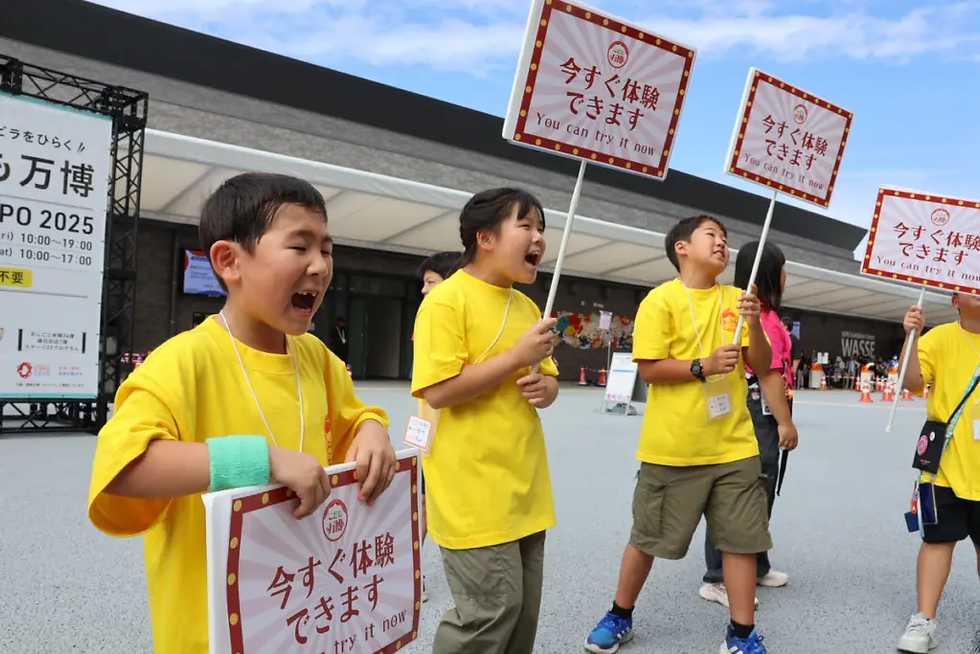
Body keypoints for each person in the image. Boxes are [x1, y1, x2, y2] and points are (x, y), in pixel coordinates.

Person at [86, 172, 398, 654]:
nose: (320, 267)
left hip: (308, 615)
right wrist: (260, 461)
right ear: (229, 260)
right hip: (213, 634)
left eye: (327, 249)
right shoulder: (181, 361)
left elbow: (357, 415)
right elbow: (125, 467)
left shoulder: (317, 357)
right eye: (300, 247)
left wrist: (374, 429)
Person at [584, 214, 773, 654]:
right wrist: (700, 367)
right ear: (682, 247)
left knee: (740, 541)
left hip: (735, 445)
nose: (723, 244)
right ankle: (620, 615)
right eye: (712, 236)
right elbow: (648, 368)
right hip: (673, 448)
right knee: (647, 537)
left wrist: (757, 322)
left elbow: (760, 365)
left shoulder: (737, 299)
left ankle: (742, 634)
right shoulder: (660, 301)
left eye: (726, 239)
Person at [412, 187, 559, 654]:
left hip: (525, 487)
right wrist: (515, 356)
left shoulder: (528, 307)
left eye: (542, 229)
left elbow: (549, 383)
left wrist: (545, 389)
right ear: (485, 237)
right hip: (472, 491)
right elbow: (438, 391)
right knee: (487, 616)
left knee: (521, 615)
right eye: (527, 226)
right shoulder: (445, 302)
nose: (538, 238)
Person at [699, 240, 799, 608]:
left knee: (758, 492)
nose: (788, 276)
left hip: (760, 409)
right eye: (784, 267)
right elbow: (769, 373)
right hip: (762, 412)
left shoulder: (757, 315)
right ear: (771, 272)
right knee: (743, 493)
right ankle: (717, 576)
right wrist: (786, 422)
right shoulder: (760, 320)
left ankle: (755, 563)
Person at [895, 297, 980, 653]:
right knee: (936, 542)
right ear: (955, 299)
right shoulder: (940, 338)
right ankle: (924, 619)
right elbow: (910, 380)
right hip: (945, 467)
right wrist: (912, 336)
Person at [413, 249, 462, 602]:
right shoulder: (429, 318)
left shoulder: (454, 316)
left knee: (437, 504)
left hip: (456, 433)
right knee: (424, 504)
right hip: (430, 427)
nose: (424, 291)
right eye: (425, 283)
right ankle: (409, 571)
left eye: (431, 282)